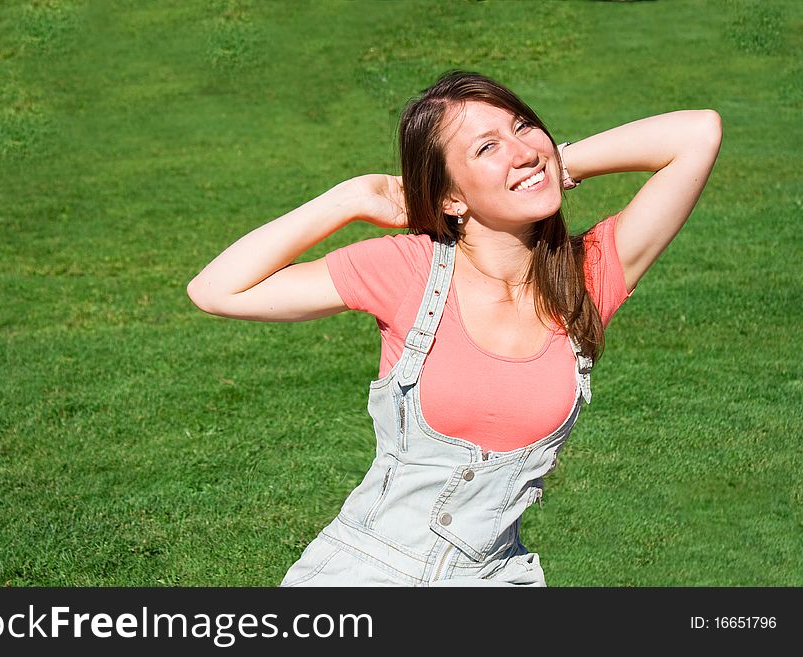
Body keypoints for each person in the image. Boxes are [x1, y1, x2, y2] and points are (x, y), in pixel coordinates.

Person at [186, 71, 722, 586]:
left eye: (521, 126)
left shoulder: (588, 279)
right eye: (485, 148)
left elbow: (697, 133)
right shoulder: (407, 270)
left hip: (495, 579)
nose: (519, 148)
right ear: (451, 199)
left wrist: (548, 164)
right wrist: (350, 199)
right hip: (364, 574)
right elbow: (217, 290)